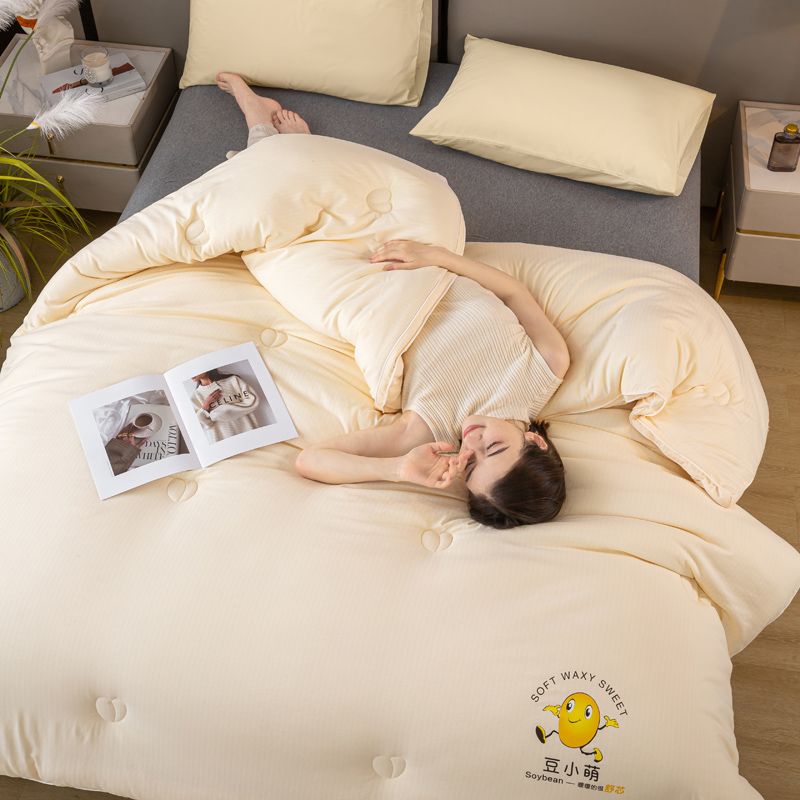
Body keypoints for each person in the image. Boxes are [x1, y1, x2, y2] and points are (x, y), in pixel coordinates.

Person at [216, 74, 571, 528]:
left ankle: (262, 130)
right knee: (393, 197)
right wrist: (438, 255)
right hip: (422, 266)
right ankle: (295, 147)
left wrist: (399, 468)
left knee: (269, 229)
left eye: (470, 465)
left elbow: (313, 460)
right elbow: (513, 292)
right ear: (535, 442)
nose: (472, 441)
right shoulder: (546, 367)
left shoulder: (426, 431)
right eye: (494, 447)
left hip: (364, 300)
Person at [190, 368, 261, 444]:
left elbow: (253, 401)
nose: (190, 374)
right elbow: (201, 426)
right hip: (222, 442)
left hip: (248, 433)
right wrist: (205, 406)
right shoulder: (195, 396)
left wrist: (216, 414)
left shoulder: (233, 381)